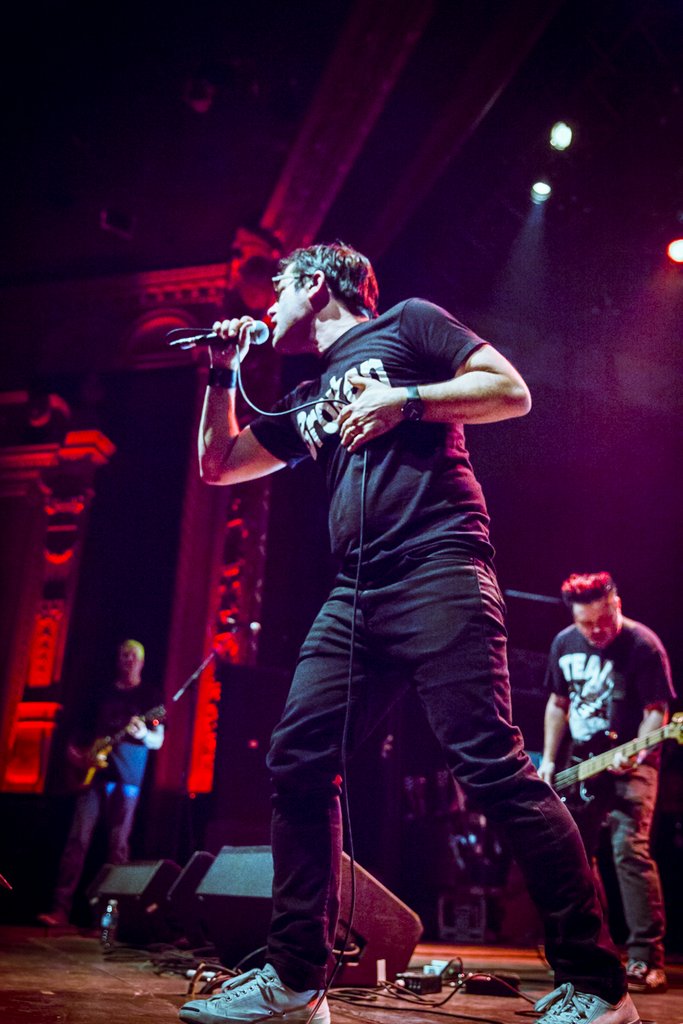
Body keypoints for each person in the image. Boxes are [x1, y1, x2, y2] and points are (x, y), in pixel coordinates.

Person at [179, 242, 639, 1024]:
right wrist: (222, 373)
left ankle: (597, 987)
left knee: (491, 768)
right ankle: (295, 980)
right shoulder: (308, 395)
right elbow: (219, 464)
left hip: (439, 567)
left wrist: (406, 402)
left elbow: (510, 390)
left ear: (314, 284)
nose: (267, 306)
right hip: (355, 592)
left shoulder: (407, 324)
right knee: (297, 760)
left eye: (278, 289)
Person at [539, 572, 675, 994]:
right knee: (576, 857)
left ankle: (646, 958)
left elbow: (657, 712)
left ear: (617, 605)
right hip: (580, 762)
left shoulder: (643, 645)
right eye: (586, 624)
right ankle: (592, 951)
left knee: (628, 851)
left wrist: (637, 753)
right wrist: (548, 760)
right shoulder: (564, 643)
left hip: (632, 764)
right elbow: (558, 703)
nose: (596, 632)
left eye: (603, 621)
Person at [38, 639, 164, 927]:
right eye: (124, 655)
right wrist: (81, 757)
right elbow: (76, 737)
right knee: (77, 841)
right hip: (95, 778)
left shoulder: (150, 696)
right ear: (118, 659)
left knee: (118, 848)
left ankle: (109, 921)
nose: (129, 660)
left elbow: (158, 740)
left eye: (134, 655)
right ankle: (60, 909)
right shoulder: (102, 693)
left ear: (142, 662)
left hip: (128, 780)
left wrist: (143, 733)